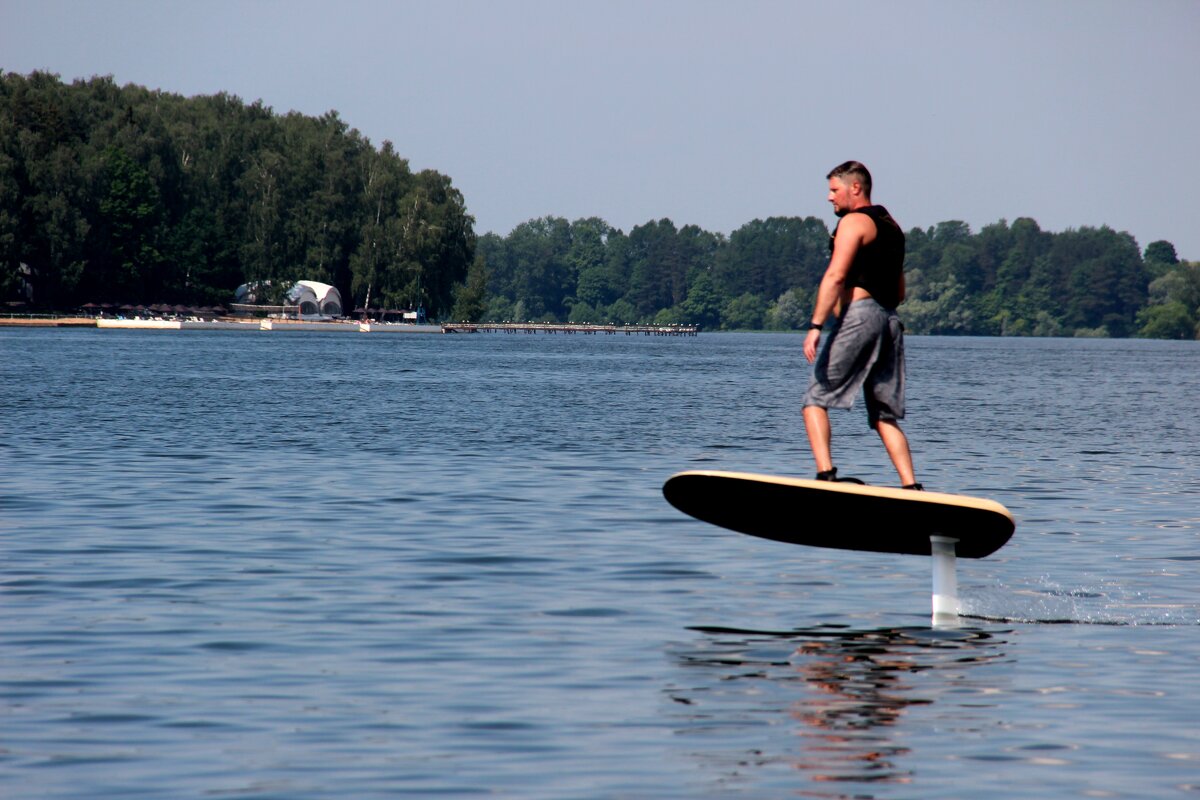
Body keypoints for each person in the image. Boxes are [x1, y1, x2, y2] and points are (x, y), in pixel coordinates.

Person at [801, 161, 922, 490]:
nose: (829, 198)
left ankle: (826, 477)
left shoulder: (854, 222)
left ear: (856, 188)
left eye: (834, 190)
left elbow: (836, 275)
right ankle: (911, 487)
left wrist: (815, 326)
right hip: (890, 322)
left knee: (815, 400)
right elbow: (899, 292)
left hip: (861, 316)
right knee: (885, 416)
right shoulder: (892, 227)